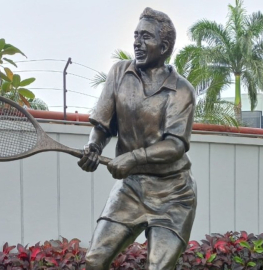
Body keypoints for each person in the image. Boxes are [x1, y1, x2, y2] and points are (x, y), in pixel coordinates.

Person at [78, 7, 197, 270]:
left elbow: (175, 145)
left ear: (164, 47)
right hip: (130, 187)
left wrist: (132, 158)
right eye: (135, 35)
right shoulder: (119, 73)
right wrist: (93, 145)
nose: (137, 42)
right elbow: (103, 124)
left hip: (172, 192)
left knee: (158, 267)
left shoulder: (181, 90)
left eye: (146, 37)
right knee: (94, 260)